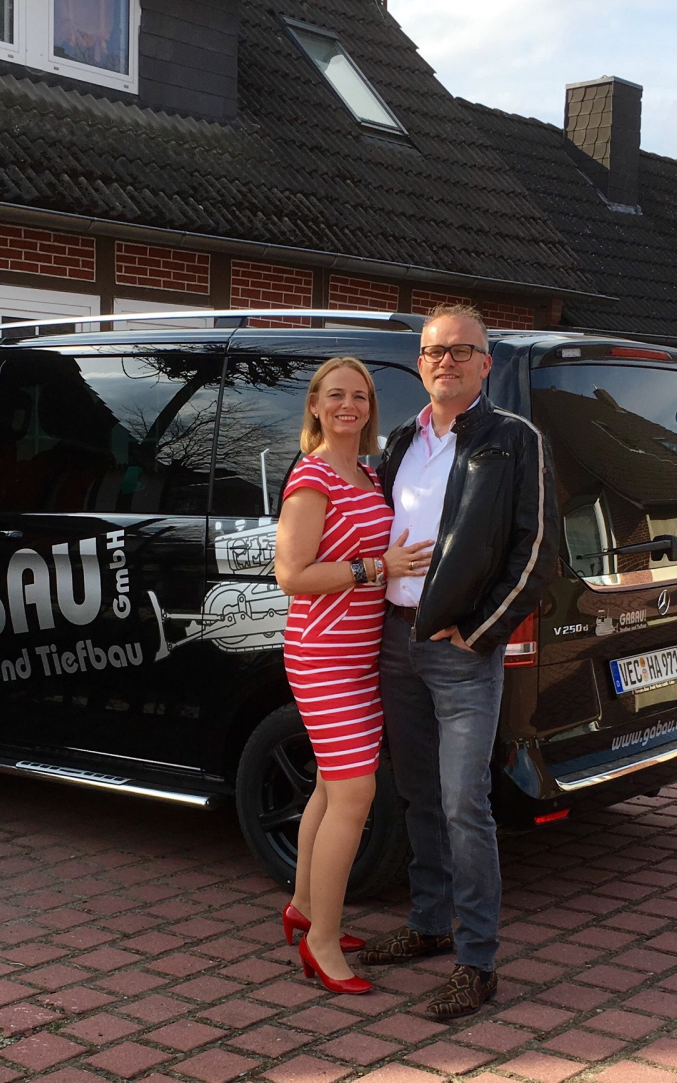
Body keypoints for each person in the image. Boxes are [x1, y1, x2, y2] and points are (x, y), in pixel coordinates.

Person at [358, 304, 559, 1018]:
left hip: (460, 651)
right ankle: (428, 923)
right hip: (396, 639)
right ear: (420, 363)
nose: (446, 361)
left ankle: (477, 962)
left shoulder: (515, 440)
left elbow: (536, 553)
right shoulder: (400, 440)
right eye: (435, 351)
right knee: (417, 793)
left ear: (486, 363)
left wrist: (479, 630)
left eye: (461, 350)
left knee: (463, 804)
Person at [274, 356, 431, 995]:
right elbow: (291, 574)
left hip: (361, 656)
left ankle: (305, 908)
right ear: (315, 405)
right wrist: (377, 567)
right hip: (322, 655)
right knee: (354, 796)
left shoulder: (365, 472)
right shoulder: (312, 477)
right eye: (336, 395)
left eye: (360, 396)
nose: (349, 406)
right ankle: (321, 942)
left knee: (327, 788)